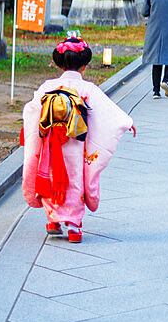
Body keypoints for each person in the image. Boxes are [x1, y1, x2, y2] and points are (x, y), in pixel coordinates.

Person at [21, 37, 134, 243]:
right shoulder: (88, 89)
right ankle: (73, 227)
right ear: (84, 66)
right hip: (76, 145)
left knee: (50, 175)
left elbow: (31, 110)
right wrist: (126, 122)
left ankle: (52, 221)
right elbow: (108, 114)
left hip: (50, 144)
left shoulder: (48, 86)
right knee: (75, 181)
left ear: (58, 63)